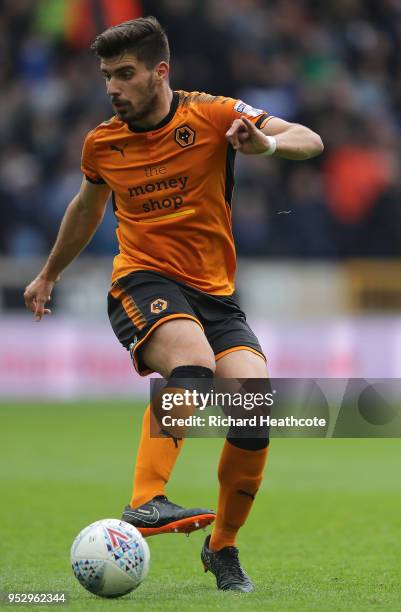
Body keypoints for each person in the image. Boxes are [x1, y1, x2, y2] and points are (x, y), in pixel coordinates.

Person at [24, 16, 323, 592]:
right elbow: (85, 210)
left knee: (255, 412)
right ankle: (145, 501)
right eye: (108, 75)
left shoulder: (212, 114)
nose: (113, 87)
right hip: (142, 281)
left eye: (126, 74)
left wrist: (264, 143)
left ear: (160, 72)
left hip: (215, 294)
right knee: (193, 365)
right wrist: (48, 274)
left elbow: (309, 139)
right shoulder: (103, 142)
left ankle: (223, 549)